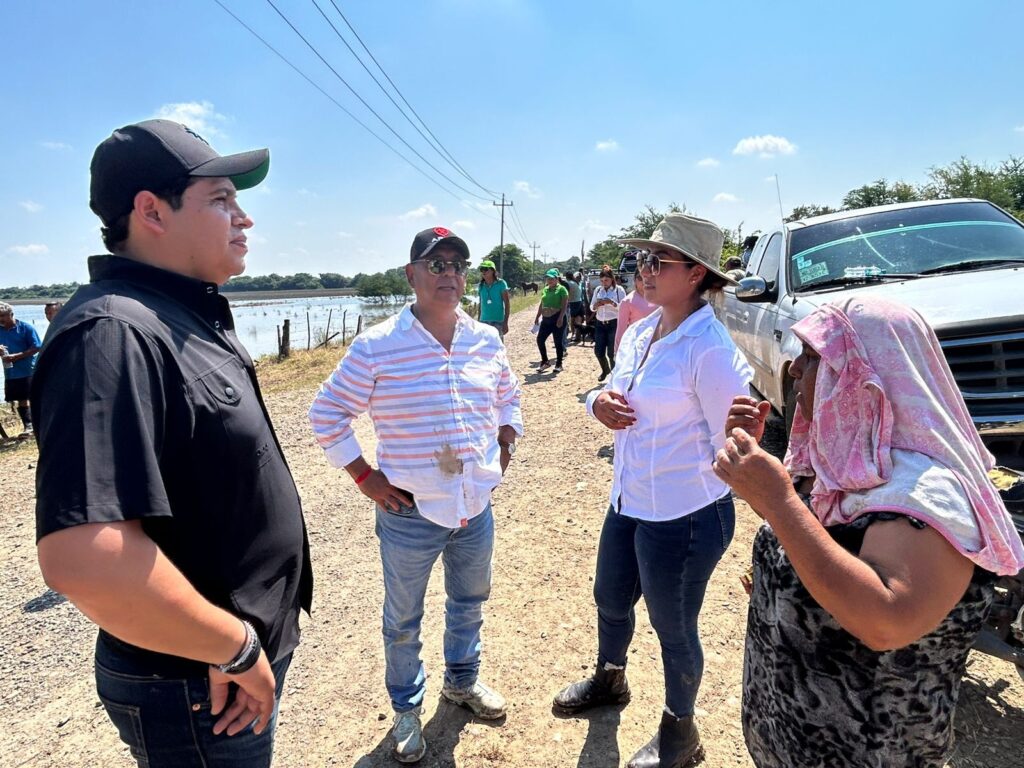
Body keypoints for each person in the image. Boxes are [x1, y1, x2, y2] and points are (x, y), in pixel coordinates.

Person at [31, 119, 313, 767]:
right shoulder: (113, 331)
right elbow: (84, 556)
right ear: (152, 212)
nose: (244, 217)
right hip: (198, 679)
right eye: (220, 199)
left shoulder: (180, 312)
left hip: (221, 663)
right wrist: (233, 647)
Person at [712, 296, 1024, 768]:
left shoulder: (926, 493)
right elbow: (818, 544)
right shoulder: (846, 457)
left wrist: (777, 501)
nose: (795, 370)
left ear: (868, 376)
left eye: (813, 357)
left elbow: (886, 620)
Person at [309, 226, 522, 763]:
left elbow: (508, 395)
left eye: (457, 265)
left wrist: (506, 439)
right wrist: (365, 476)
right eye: (436, 264)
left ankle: (462, 681)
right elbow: (327, 413)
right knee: (403, 620)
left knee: (469, 602)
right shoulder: (378, 346)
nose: (449, 274)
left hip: (474, 507)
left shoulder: (485, 339)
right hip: (409, 512)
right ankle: (406, 708)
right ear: (411, 275)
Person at [553, 214, 751, 768]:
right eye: (640, 259)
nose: (643, 269)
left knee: (674, 626)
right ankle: (610, 679)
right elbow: (610, 391)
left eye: (657, 261)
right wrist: (595, 403)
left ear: (696, 274)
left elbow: (734, 447)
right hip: (630, 498)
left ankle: (680, 732)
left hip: (686, 512)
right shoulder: (643, 331)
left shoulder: (708, 349)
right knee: (610, 596)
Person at [0, 302, 41, 438]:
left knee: (31, 396)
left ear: (11, 314)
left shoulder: (25, 328)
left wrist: (17, 356)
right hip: (10, 372)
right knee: (19, 398)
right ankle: (28, 426)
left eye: (3, 316)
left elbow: (36, 347)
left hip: (28, 369)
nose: (1, 319)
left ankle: (35, 425)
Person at [589, 266, 625, 381]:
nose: (604, 283)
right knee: (598, 351)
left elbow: (624, 307)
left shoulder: (619, 290)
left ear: (612, 279)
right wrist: (596, 305)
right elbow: (591, 307)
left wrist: (611, 302)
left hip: (614, 323)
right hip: (600, 323)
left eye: (606, 280)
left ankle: (615, 377)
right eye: (602, 280)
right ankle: (605, 370)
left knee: (611, 352)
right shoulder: (598, 290)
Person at [533, 268, 568, 373]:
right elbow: (542, 303)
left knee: (558, 342)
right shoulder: (545, 289)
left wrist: (561, 317)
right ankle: (545, 361)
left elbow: (565, 305)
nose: (549, 280)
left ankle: (559, 364)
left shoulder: (562, 289)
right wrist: (537, 316)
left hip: (557, 318)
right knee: (540, 340)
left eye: (552, 278)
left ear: (557, 279)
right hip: (546, 319)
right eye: (548, 278)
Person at [613, 268, 655, 353]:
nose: (644, 281)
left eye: (647, 277)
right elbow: (621, 329)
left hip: (658, 345)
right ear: (635, 280)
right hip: (638, 347)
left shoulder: (660, 298)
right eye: (640, 278)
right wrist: (617, 352)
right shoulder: (627, 301)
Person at [476, 259, 510, 338]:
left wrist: (505, 322)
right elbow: (480, 305)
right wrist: (478, 322)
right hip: (483, 321)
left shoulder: (501, 284)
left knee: (497, 344)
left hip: (498, 321)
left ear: (493, 271)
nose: (483, 271)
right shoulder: (481, 286)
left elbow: (507, 303)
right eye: (481, 269)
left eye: (485, 269)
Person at [564, 270, 584, 344]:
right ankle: (578, 335)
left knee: (572, 320)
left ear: (566, 277)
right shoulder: (576, 282)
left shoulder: (568, 283)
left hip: (573, 303)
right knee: (578, 319)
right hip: (579, 302)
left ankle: (573, 334)